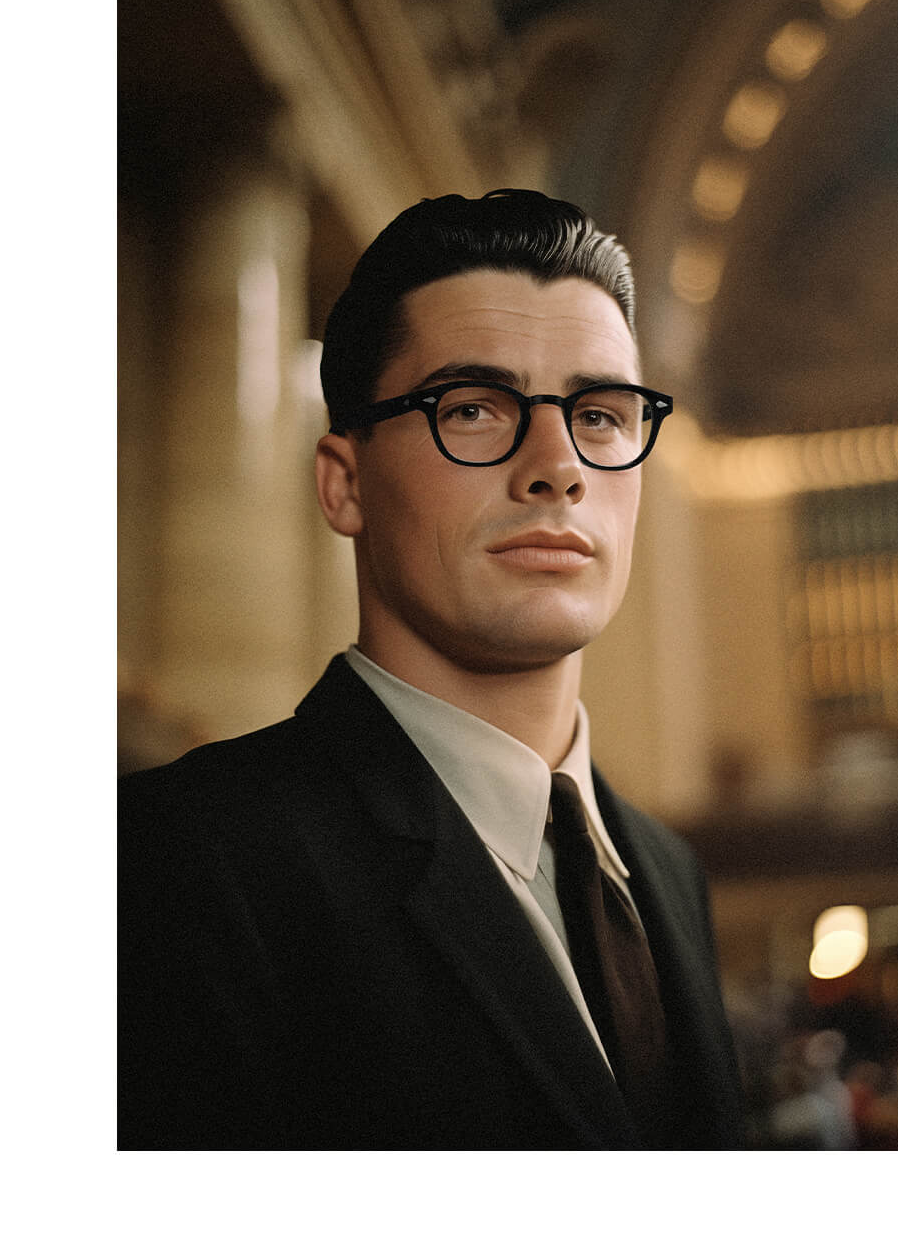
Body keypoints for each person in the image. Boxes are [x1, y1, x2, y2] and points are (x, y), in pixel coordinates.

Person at [119, 189, 746, 1150]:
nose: (558, 467)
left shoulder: (667, 870)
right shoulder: (172, 863)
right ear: (346, 483)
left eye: (601, 414)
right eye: (474, 409)